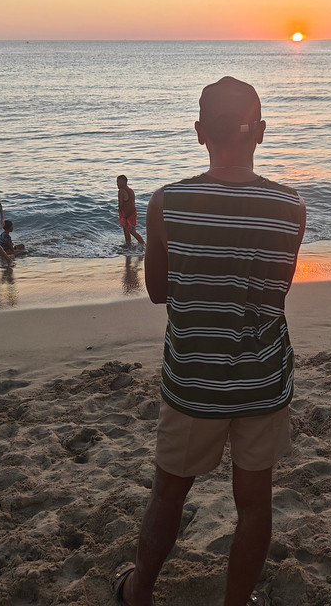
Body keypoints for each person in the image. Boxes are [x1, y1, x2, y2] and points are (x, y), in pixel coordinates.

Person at [112, 77, 306, 606]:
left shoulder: (167, 203)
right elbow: (277, 290)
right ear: (260, 132)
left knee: (169, 493)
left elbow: (157, 292)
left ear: (200, 133)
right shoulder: (289, 205)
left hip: (194, 376)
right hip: (263, 379)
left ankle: (140, 591)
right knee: (255, 506)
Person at [117, 175, 146, 248]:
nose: (117, 184)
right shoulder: (130, 190)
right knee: (129, 230)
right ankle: (131, 245)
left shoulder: (121, 191)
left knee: (130, 231)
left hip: (125, 214)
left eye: (118, 182)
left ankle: (143, 244)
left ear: (124, 182)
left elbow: (121, 203)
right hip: (133, 212)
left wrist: (119, 210)